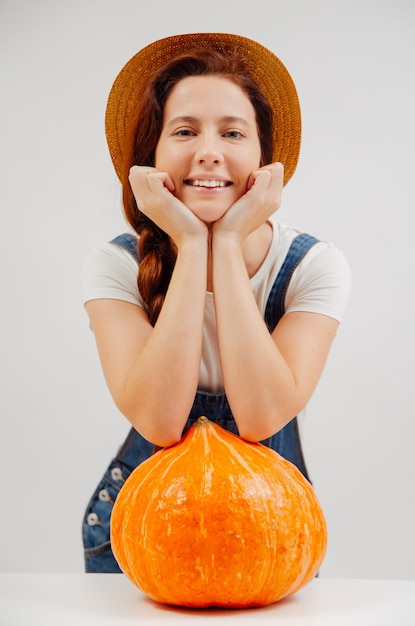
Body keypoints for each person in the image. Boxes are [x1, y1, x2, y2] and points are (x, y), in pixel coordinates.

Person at [81, 32, 351, 573]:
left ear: (264, 161)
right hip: (139, 540)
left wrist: (223, 243)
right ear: (151, 158)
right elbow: (160, 422)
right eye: (184, 131)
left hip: (272, 532)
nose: (208, 151)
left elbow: (260, 416)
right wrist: (187, 240)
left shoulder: (313, 266)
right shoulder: (117, 266)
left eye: (232, 131)